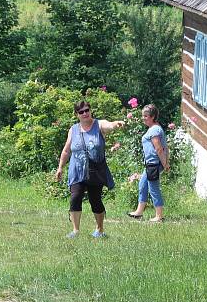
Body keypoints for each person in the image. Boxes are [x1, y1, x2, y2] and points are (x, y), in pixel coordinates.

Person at [55, 101, 124, 238]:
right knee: (75, 197)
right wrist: (60, 167)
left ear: (90, 111)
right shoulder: (73, 129)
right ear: (77, 115)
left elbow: (109, 125)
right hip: (77, 170)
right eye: (81, 112)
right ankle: (75, 231)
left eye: (87, 110)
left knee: (95, 199)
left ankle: (99, 229)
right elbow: (67, 151)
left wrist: (116, 124)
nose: (85, 113)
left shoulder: (99, 125)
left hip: (95, 170)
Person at [128, 104, 169, 222]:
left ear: (153, 117)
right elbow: (166, 147)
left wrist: (165, 164)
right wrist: (166, 162)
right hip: (151, 163)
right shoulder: (154, 129)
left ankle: (159, 216)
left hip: (154, 163)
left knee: (153, 188)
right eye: (143, 116)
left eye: (145, 116)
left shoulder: (155, 129)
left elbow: (159, 148)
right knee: (142, 184)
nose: (143, 118)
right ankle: (139, 212)